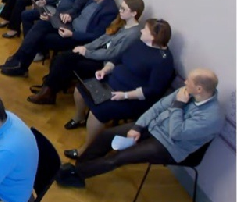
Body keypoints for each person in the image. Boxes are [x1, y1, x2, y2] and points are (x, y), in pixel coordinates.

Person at [57, 69, 223, 188]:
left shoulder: (211, 117)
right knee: (107, 135)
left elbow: (176, 133)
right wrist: (138, 126)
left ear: (199, 89)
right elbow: (157, 108)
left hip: (169, 146)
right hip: (153, 127)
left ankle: (77, 173)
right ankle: (81, 166)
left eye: (189, 81)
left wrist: (178, 105)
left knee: (119, 158)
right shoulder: (185, 91)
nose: (185, 82)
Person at [62, 19, 175, 160]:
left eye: (145, 29)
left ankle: (87, 150)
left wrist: (125, 95)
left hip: (131, 98)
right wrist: (105, 70)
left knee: (96, 113)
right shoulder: (139, 44)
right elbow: (118, 58)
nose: (141, 30)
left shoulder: (163, 61)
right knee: (80, 89)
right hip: (111, 82)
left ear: (153, 37)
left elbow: (153, 90)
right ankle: (79, 118)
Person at [29, 0, 144, 105]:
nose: (120, 11)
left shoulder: (133, 34)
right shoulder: (121, 23)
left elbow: (112, 53)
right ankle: (48, 88)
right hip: (96, 52)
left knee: (67, 62)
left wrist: (87, 52)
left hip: (104, 62)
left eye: (124, 9)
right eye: (121, 7)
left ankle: (49, 90)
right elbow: (102, 39)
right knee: (62, 57)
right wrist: (86, 47)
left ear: (134, 13)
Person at [0, 0, 118, 77]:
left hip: (77, 37)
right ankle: (19, 60)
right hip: (69, 25)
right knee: (42, 24)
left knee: (41, 37)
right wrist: (69, 16)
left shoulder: (109, 10)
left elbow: (96, 36)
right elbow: (78, 12)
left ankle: (20, 62)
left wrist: (72, 34)